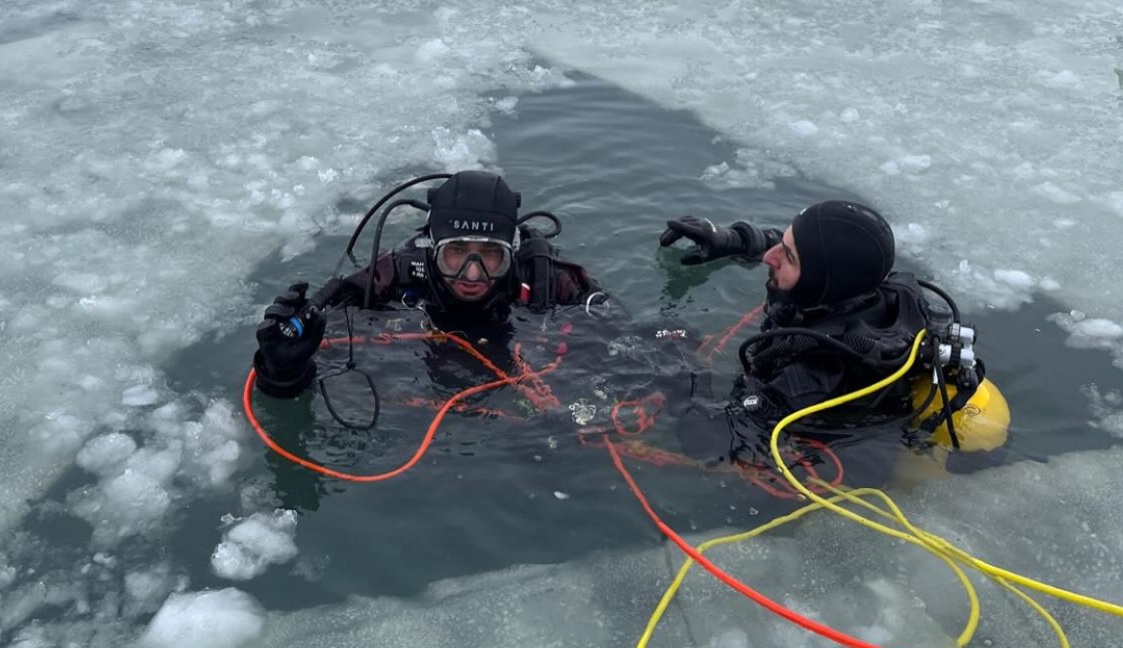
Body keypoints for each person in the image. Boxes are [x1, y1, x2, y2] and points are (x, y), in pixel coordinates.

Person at [659, 201, 994, 467]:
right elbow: (821, 254)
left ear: (821, 281)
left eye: (786, 256)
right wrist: (738, 240)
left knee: (659, 335)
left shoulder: (809, 377)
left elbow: (707, 443)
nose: (768, 257)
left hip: (833, 457)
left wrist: (684, 371)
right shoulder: (875, 288)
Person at [252, 170, 607, 400]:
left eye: (489, 256)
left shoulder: (546, 281)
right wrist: (284, 372)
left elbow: (622, 347)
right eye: (455, 253)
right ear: (430, 248)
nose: (472, 274)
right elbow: (329, 362)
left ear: (512, 252)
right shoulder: (394, 276)